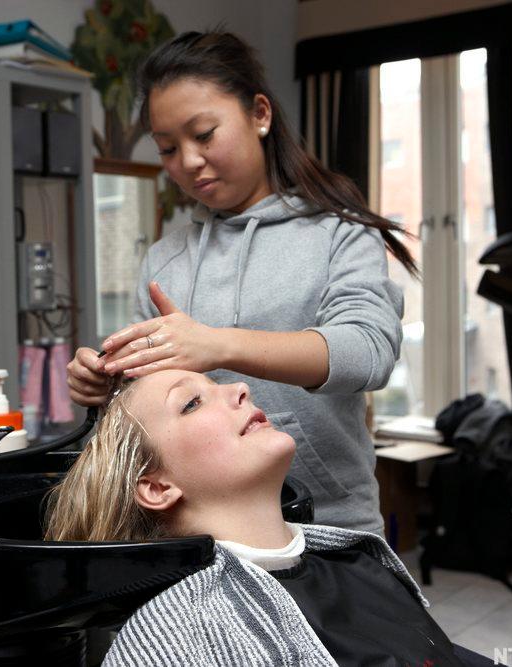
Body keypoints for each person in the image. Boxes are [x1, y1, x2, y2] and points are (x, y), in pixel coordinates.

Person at [67, 30, 417, 534]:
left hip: (331, 523)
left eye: (204, 134)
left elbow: (367, 351)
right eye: (167, 149)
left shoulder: (339, 232)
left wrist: (217, 346)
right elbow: (154, 404)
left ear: (260, 114)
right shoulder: (166, 261)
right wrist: (109, 383)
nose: (187, 162)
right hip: (207, 531)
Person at [46, 370, 491, 667]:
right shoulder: (178, 636)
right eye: (191, 404)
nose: (240, 387)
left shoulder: (357, 560)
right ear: (158, 487)